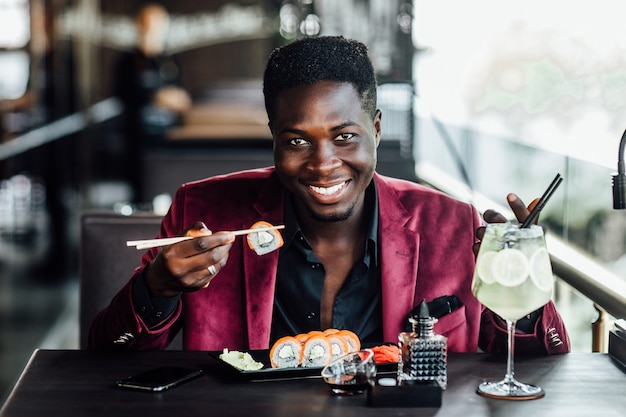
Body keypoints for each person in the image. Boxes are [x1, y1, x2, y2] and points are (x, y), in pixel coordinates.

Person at [89, 36, 569, 354]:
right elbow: (105, 357)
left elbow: (539, 361)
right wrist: (157, 290)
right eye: (297, 140)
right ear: (273, 136)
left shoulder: (451, 224)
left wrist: (518, 278)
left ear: (376, 130)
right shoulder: (204, 212)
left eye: (344, 137)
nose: (322, 163)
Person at [112, 3, 191, 202]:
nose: (155, 29)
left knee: (166, 188)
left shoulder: (169, 59)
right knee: (140, 191)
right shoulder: (128, 60)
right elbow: (121, 94)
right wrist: (156, 97)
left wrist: (180, 100)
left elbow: (181, 90)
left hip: (167, 137)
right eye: (150, 23)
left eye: (159, 24)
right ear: (139, 25)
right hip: (137, 138)